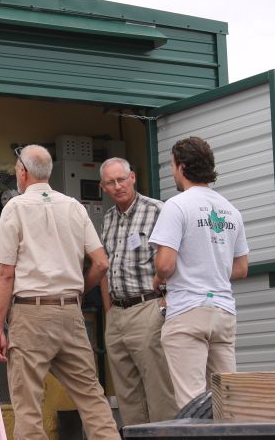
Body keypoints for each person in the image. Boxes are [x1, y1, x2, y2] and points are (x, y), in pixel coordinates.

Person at [0, 144, 120, 440]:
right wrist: (76, 289)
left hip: (31, 313)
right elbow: (101, 262)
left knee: (28, 407)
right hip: (71, 314)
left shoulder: (15, 208)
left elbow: (5, 273)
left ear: (22, 172)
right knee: (91, 398)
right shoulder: (74, 206)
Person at [149, 136, 249, 409]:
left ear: (182, 167)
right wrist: (210, 266)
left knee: (192, 401)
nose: (172, 171)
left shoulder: (177, 205)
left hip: (188, 310)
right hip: (223, 311)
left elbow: (165, 265)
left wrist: (158, 279)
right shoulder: (231, 210)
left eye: (172, 165)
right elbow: (241, 268)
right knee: (228, 397)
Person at [98, 157, 178, 425]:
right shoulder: (107, 219)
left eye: (122, 179)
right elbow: (104, 268)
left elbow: (175, 260)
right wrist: (109, 311)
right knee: (126, 394)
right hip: (117, 313)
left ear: (133, 177)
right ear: (103, 187)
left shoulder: (158, 210)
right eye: (111, 182)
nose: (118, 186)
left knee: (158, 388)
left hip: (148, 308)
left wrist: (165, 304)